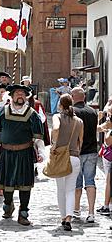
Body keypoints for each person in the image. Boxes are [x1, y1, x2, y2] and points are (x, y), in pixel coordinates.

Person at [0, 84, 45, 226]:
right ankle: (8, 205)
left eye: (23, 94)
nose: (20, 96)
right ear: (11, 96)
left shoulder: (32, 114)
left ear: (26, 97)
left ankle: (23, 213)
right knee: (7, 183)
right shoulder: (1, 112)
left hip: (25, 153)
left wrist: (41, 152)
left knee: (25, 185)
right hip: (6, 153)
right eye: (17, 93)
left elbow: (38, 137)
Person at [52, 94, 83, 231]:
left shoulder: (57, 117)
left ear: (60, 105)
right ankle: (69, 217)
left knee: (61, 189)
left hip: (61, 157)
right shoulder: (79, 121)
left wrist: (54, 145)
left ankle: (63, 217)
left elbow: (56, 128)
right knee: (71, 189)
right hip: (75, 157)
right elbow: (80, 141)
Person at [72, 87, 98, 223]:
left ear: (73, 97)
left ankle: (76, 210)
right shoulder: (93, 111)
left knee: (77, 183)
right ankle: (91, 212)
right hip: (92, 150)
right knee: (90, 181)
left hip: (77, 151)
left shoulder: (73, 112)